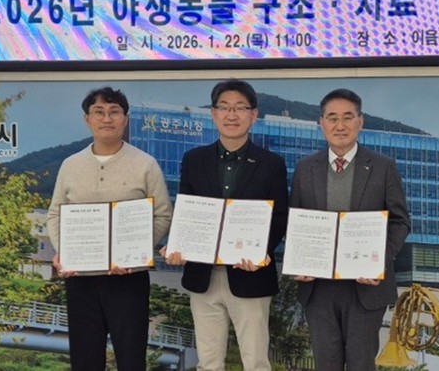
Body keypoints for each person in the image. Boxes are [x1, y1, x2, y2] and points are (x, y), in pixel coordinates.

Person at [162, 79, 288, 371]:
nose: (232, 115)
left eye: (240, 108)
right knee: (208, 363)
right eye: (224, 107)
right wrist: (177, 245)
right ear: (214, 113)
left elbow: (280, 215)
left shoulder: (271, 163)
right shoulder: (194, 160)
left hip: (251, 274)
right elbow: (186, 210)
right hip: (202, 276)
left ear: (253, 115)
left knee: (256, 362)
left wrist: (261, 252)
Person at [47, 86, 173, 371]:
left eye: (114, 112)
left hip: (128, 278)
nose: (107, 118)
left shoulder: (146, 164)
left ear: (125, 119)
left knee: (131, 359)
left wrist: (136, 253)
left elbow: (163, 214)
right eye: (99, 112)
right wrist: (63, 251)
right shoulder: (70, 165)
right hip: (81, 277)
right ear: (87, 119)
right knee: (85, 359)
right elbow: (55, 214)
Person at [290, 88, 410, 371]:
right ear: (322, 123)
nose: (340, 125)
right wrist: (298, 260)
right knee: (325, 364)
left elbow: (400, 221)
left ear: (360, 122)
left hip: (365, 288)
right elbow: (295, 221)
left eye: (347, 117)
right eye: (332, 118)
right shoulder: (305, 169)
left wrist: (379, 262)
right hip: (318, 287)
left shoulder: (382, 167)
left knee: (361, 364)